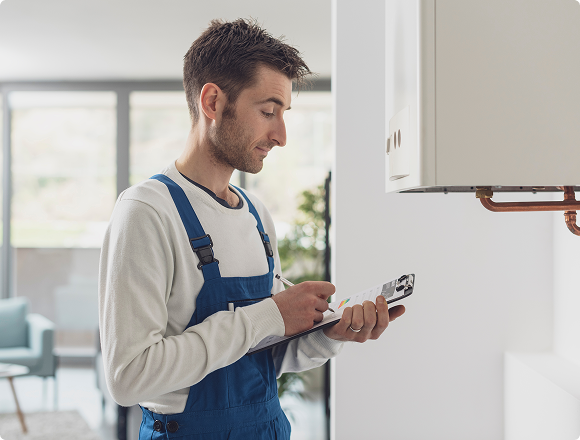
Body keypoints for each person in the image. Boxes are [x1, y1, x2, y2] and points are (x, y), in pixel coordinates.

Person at [98, 18, 405, 440]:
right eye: (267, 112)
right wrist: (267, 315)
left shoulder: (256, 215)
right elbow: (128, 376)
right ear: (212, 102)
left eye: (283, 115)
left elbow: (263, 354)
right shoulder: (147, 212)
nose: (280, 135)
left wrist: (330, 334)